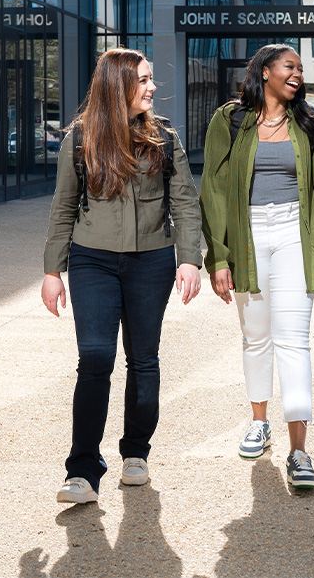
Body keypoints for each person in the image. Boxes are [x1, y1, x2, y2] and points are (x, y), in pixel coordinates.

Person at [41, 48, 202, 505]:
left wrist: (189, 258)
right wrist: (53, 270)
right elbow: (63, 206)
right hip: (92, 260)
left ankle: (136, 453)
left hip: (151, 261)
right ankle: (82, 471)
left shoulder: (164, 137)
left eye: (151, 79)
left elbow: (186, 202)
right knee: (94, 359)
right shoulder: (80, 139)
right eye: (144, 80)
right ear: (118, 86)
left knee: (143, 359)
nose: (152, 87)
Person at [200, 43, 314, 489]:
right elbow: (213, 189)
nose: (298, 74)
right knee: (255, 338)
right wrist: (219, 257)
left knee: (295, 342)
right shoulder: (230, 119)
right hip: (246, 238)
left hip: (292, 236)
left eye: (301, 69)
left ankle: (299, 451)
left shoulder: (313, 124)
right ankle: (258, 422)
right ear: (264, 72)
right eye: (290, 66)